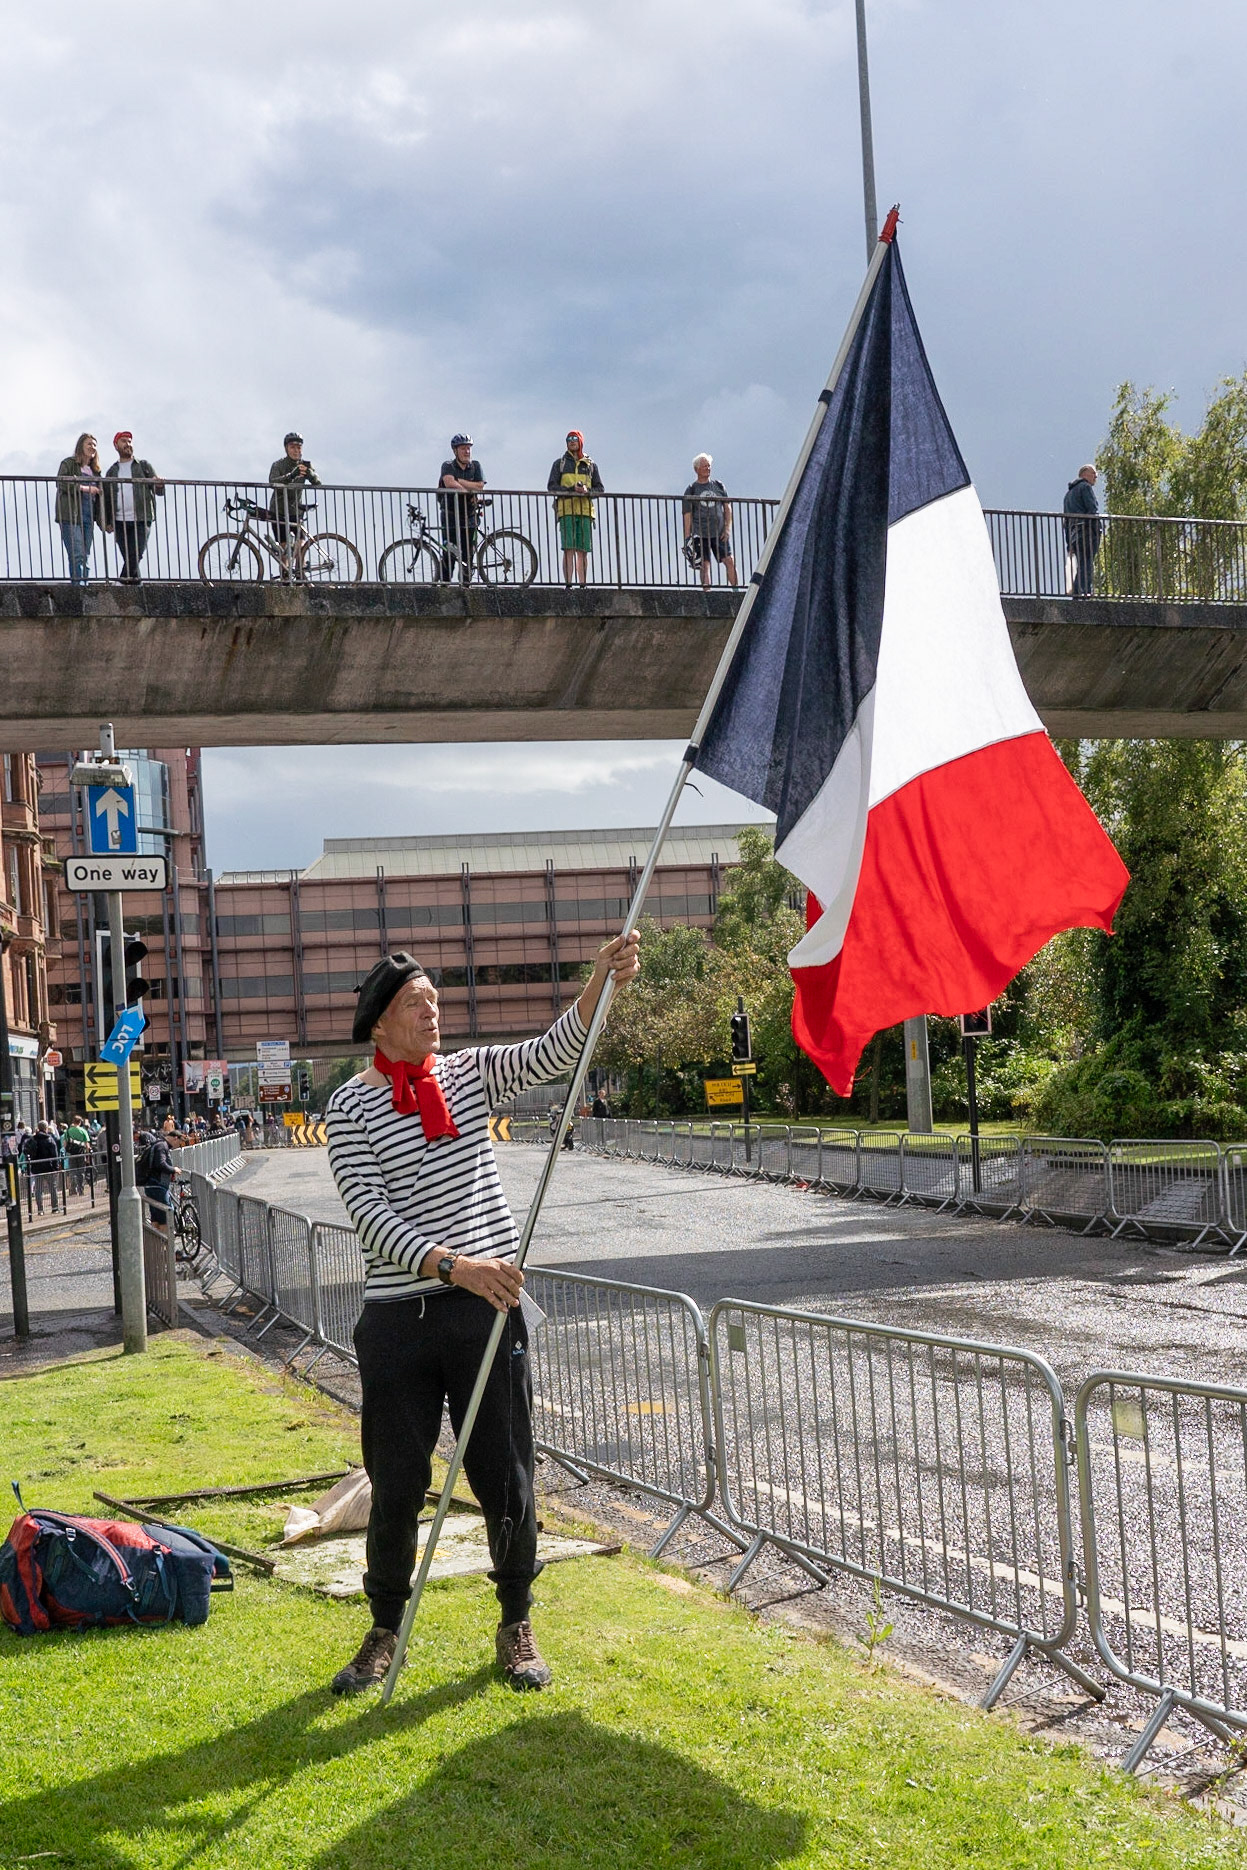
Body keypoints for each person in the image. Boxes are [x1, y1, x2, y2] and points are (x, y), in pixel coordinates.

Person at [325, 930, 641, 1697]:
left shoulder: (470, 1074)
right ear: (379, 1024)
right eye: (414, 1003)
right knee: (396, 1481)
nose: (432, 1011)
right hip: (401, 1321)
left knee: (506, 1477)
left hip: (486, 1317)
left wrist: (602, 981)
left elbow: (554, 1050)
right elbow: (369, 1216)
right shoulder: (349, 1106)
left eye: (434, 998)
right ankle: (383, 1629)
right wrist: (452, 1266)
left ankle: (515, 1622)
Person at [102, 432, 165, 583]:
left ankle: (121, 582)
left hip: (142, 518)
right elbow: (106, 499)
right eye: (124, 441)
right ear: (116, 445)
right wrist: (106, 521)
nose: (128, 444)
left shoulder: (143, 466)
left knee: (135, 554)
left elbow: (158, 490)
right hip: (119, 520)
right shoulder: (112, 471)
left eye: (129, 441)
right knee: (131, 559)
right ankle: (136, 587)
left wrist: (159, 485)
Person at [547, 431, 603, 588]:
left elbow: (600, 489)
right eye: (569, 439)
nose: (571, 442)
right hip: (566, 511)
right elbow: (552, 487)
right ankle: (569, 584)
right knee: (568, 549)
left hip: (585, 512)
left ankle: (583, 585)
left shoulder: (590, 465)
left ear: (580, 442)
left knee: (583, 550)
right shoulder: (560, 463)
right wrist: (572, 490)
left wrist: (587, 492)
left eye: (574, 439)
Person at [682, 454, 738, 590]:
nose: (708, 468)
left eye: (709, 466)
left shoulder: (718, 485)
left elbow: (727, 507)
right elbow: (687, 514)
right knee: (705, 565)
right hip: (700, 533)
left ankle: (736, 591)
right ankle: (707, 594)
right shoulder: (692, 489)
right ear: (697, 469)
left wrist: (727, 528)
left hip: (719, 532)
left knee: (729, 560)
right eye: (704, 466)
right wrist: (687, 537)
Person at [55, 434, 103, 585]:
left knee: (85, 554)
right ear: (81, 446)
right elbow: (61, 483)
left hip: (88, 516)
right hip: (71, 514)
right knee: (77, 554)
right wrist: (84, 488)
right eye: (89, 444)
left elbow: (101, 499)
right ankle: (79, 588)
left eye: (94, 445)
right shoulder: (69, 464)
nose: (92, 447)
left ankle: (84, 585)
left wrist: (104, 521)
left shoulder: (96, 472)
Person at [268, 432, 322, 563]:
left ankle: (300, 579)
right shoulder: (278, 465)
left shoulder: (305, 464)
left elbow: (318, 482)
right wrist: (291, 475)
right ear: (286, 448)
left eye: (299, 447)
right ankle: (285, 581)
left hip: (295, 511)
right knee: (284, 550)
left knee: (300, 548)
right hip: (279, 511)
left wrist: (309, 474)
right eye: (292, 447)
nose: (296, 450)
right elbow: (272, 482)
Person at [437, 434, 485, 582]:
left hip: (469, 515)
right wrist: (468, 491)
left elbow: (480, 485)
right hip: (450, 514)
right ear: (455, 451)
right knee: (450, 551)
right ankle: (445, 583)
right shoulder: (448, 466)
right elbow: (449, 483)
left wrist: (460, 481)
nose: (467, 452)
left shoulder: (476, 466)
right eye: (463, 448)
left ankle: (466, 584)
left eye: (469, 448)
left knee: (468, 553)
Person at [1063, 464, 1102, 598]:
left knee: (1082, 564)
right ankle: (1083, 592)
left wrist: (1069, 544)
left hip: (1074, 535)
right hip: (1086, 532)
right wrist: (1097, 530)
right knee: (1087, 564)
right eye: (1093, 473)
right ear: (1084, 474)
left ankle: (1078, 592)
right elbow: (1092, 509)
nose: (1095, 477)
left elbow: (1066, 521)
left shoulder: (1068, 495)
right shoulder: (1085, 487)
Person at [136, 1126, 178, 1228]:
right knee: (165, 1217)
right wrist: (174, 1170)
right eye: (179, 1143)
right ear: (175, 1138)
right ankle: (166, 1243)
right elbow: (160, 1164)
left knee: (155, 1217)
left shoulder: (157, 1144)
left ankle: (156, 1244)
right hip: (157, 1185)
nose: (178, 1146)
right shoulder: (162, 1146)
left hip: (151, 1184)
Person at [22, 1122, 61, 1216]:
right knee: (53, 1188)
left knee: (38, 1190)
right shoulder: (49, 1139)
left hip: (37, 1167)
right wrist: (56, 1167)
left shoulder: (32, 1139)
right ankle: (55, 1208)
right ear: (46, 1128)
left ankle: (40, 1210)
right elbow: (54, 1155)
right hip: (49, 1167)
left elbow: (25, 1150)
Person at [63, 1114, 91, 1197]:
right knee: (81, 1172)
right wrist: (88, 1155)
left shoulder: (68, 1131)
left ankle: (72, 1190)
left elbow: (64, 1144)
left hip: (71, 1154)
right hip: (81, 1153)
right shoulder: (83, 1131)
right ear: (80, 1122)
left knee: (72, 1171)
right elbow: (87, 1145)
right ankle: (81, 1190)